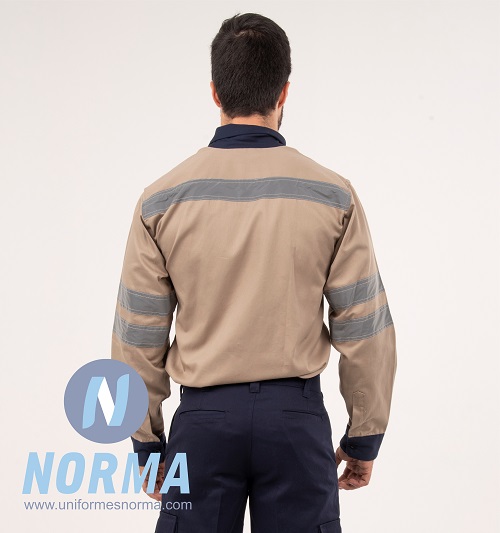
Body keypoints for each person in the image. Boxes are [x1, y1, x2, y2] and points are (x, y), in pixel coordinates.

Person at [111, 12, 397, 533]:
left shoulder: (161, 201)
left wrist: (146, 442)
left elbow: (139, 332)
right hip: (296, 424)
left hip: (202, 425)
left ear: (215, 92)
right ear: (284, 92)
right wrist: (363, 437)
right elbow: (364, 328)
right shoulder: (332, 196)